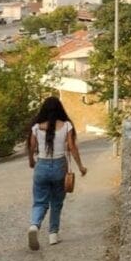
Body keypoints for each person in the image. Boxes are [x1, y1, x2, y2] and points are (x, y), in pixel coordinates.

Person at [27, 97, 87, 250]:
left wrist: (31, 162)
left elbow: (32, 146)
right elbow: (72, 147)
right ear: (60, 109)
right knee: (56, 202)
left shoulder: (36, 127)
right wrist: (80, 167)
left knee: (40, 201)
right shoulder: (66, 125)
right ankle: (53, 234)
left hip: (41, 165)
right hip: (59, 167)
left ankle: (34, 226)